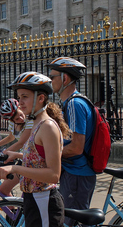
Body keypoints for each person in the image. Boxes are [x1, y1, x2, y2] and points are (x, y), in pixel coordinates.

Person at [0, 72, 70, 227]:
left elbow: (53, 174)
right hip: (34, 199)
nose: (19, 102)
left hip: (43, 201)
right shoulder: (36, 122)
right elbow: (39, 159)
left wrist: (15, 168)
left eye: (25, 97)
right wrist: (16, 155)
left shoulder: (47, 126)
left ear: (41, 98)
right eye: (19, 97)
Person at [46, 57, 96, 226]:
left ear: (65, 78)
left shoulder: (74, 104)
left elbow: (76, 147)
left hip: (77, 175)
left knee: (69, 223)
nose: (49, 80)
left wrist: (49, 156)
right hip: (74, 174)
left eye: (52, 77)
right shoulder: (69, 103)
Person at [0, 98, 32, 197]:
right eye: (16, 119)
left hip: (32, 160)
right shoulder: (12, 123)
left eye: (20, 114)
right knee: (3, 190)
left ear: (19, 107)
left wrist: (0, 155)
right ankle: (14, 212)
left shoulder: (30, 120)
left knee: (27, 195)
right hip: (22, 159)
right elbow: (10, 137)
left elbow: (20, 143)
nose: (21, 118)